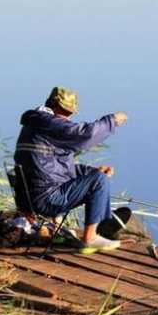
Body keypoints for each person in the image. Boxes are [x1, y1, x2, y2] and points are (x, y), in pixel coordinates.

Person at [13, 86, 128, 252]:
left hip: (30, 199)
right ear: (54, 106)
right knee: (99, 181)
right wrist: (112, 121)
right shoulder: (49, 123)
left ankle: (105, 224)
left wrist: (91, 171)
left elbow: (55, 165)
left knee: (96, 176)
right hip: (47, 199)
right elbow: (85, 134)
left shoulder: (34, 125)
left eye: (71, 112)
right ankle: (90, 238)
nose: (69, 116)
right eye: (66, 111)